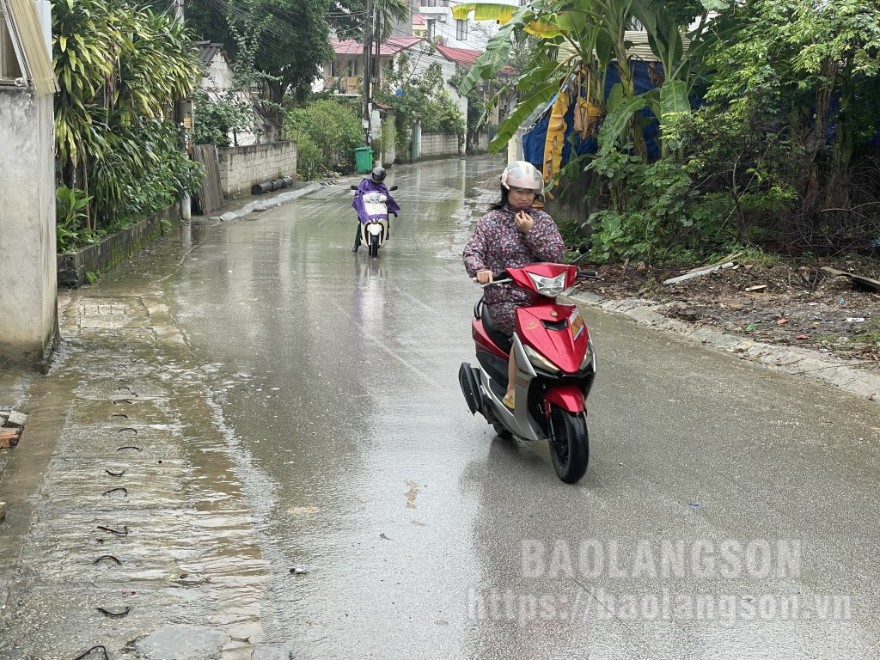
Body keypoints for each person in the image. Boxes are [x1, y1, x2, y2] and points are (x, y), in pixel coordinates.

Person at [463, 161, 564, 409]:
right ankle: (512, 390)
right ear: (506, 190)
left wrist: (531, 232)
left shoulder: (543, 221)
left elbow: (556, 256)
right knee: (525, 329)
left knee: (566, 329)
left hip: (540, 298)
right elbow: (472, 252)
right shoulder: (491, 222)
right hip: (504, 298)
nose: (524, 197)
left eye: (529, 192)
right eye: (519, 191)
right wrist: (481, 270)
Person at [352, 166, 400, 252]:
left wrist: (387, 196)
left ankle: (386, 231)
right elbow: (359, 192)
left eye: (379, 177)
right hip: (367, 206)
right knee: (361, 222)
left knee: (386, 213)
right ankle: (356, 244)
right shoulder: (366, 182)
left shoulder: (382, 186)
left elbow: (387, 196)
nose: (377, 178)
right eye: (376, 176)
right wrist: (359, 195)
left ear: (382, 178)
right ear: (373, 174)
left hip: (378, 205)